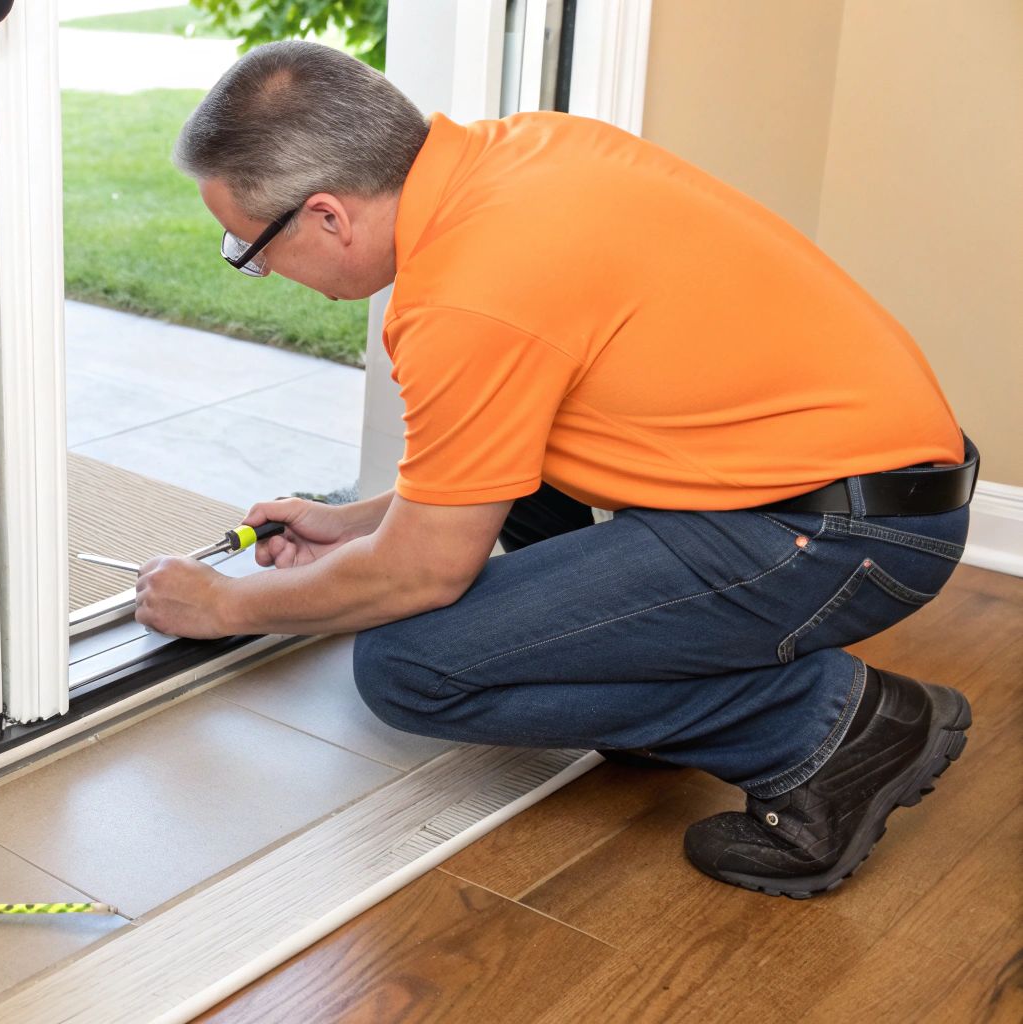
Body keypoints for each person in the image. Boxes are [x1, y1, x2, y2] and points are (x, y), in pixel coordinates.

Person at [133, 40, 979, 899]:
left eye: (250, 247)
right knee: (513, 522)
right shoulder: (526, 152)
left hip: (843, 532)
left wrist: (227, 606)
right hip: (845, 479)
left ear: (327, 215)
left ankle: (832, 729)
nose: (259, 270)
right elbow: (502, 444)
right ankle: (669, 676)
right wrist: (361, 523)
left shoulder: (466, 295)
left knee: (409, 665)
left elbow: (422, 572)